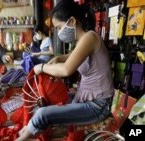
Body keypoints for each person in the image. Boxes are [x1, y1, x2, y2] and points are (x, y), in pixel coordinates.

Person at [16, 0, 114, 140]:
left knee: (43, 114)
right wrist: (58, 59)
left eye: (60, 27)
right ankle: (30, 130)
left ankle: (21, 137)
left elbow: (67, 70)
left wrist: (42, 67)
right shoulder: (82, 41)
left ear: (72, 21)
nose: (59, 32)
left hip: (98, 105)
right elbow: (70, 57)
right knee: (46, 103)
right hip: (86, 98)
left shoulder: (90, 37)